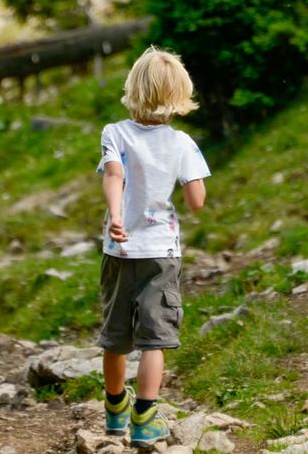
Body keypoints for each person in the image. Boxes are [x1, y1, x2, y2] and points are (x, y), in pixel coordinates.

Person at [96, 47, 210, 447]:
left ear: (133, 89)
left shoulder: (114, 132)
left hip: (118, 250)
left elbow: (114, 175)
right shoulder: (182, 143)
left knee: (115, 337)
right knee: (154, 339)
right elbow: (196, 201)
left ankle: (114, 412)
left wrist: (116, 215)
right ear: (179, 95)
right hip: (161, 252)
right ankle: (144, 421)